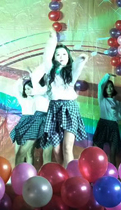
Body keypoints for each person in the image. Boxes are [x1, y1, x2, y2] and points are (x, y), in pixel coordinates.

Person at [33, 30, 89, 167]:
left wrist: (82, 59)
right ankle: (64, 173)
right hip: (54, 109)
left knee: (67, 148)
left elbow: (77, 66)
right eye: (58, 54)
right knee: (57, 151)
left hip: (69, 108)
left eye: (64, 54)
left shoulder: (70, 72)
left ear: (68, 57)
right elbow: (47, 56)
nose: (61, 57)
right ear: (54, 57)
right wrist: (52, 39)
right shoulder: (50, 70)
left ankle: (70, 176)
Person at [10, 78, 50, 165]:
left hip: (34, 123)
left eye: (29, 88)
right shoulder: (23, 98)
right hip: (23, 124)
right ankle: (18, 170)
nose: (26, 91)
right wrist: (21, 80)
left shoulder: (37, 98)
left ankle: (29, 170)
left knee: (30, 152)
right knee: (19, 151)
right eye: (25, 89)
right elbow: (15, 89)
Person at [92, 73, 121, 165]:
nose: (109, 89)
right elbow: (100, 85)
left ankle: (114, 171)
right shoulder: (102, 100)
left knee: (113, 154)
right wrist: (107, 76)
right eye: (107, 87)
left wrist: (116, 112)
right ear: (104, 89)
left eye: (111, 87)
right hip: (103, 125)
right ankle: (97, 169)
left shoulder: (117, 103)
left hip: (113, 126)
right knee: (98, 152)